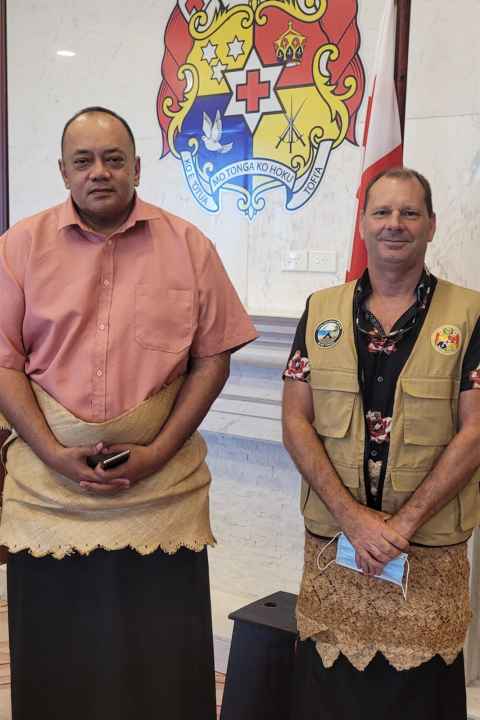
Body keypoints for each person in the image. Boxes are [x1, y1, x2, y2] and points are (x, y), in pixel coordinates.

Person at [0, 106, 257, 720]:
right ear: (62, 171)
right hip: (47, 493)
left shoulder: (189, 246)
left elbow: (212, 360)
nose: (100, 172)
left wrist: (160, 451)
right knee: (57, 657)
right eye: (84, 160)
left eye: (114, 159)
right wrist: (51, 452)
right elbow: (5, 363)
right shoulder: (18, 248)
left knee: (160, 660)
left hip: (161, 493)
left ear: (137, 167)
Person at [282, 167, 480, 720]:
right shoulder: (321, 309)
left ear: (432, 225)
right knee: (331, 686)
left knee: (419, 689)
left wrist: (400, 527)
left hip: (426, 547)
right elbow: (296, 420)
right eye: (383, 212)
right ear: (362, 223)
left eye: (410, 212)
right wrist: (354, 520)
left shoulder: (470, 314)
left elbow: (476, 430)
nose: (395, 224)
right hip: (336, 546)